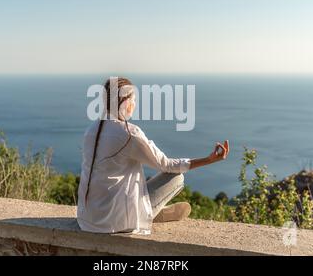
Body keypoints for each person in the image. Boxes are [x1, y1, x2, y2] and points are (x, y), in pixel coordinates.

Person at [77, 77, 230, 235]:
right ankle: (149, 213)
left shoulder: (91, 131)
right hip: (115, 222)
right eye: (134, 100)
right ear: (125, 102)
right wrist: (209, 159)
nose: (135, 105)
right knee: (176, 177)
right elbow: (168, 165)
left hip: (87, 220)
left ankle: (151, 211)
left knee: (140, 182)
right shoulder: (129, 133)